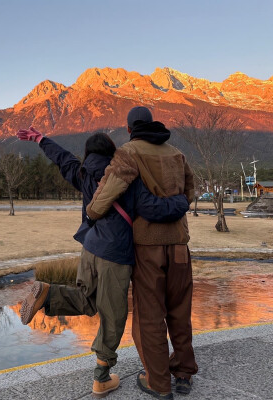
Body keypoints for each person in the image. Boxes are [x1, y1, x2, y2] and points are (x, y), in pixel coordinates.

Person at [16, 126, 189, 398]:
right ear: (112, 152)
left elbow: (62, 158)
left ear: (88, 153)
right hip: (115, 255)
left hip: (89, 249)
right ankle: (102, 378)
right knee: (113, 317)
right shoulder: (123, 175)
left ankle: (50, 294)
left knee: (88, 300)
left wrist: (40, 139)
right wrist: (181, 201)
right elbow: (151, 207)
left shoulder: (81, 172)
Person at [86, 106, 198, 399]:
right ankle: (184, 372)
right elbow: (191, 189)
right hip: (180, 245)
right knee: (180, 312)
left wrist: (92, 212)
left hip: (148, 247)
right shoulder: (176, 153)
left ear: (129, 129)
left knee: (150, 317)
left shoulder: (128, 152)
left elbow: (107, 193)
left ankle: (158, 383)